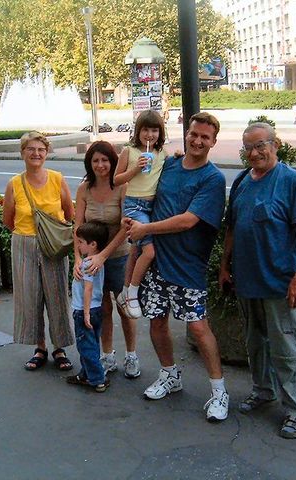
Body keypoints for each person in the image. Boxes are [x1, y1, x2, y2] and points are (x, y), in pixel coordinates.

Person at [126, 112, 229, 423]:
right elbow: (140, 185)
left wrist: (146, 229)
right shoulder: (169, 165)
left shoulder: (212, 179)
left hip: (188, 266)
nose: (198, 141)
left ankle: (219, 391)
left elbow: (188, 221)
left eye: (205, 137)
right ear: (186, 134)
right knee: (156, 321)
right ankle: (170, 374)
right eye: (194, 134)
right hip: (156, 262)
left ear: (213, 142)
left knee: (198, 327)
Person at [219, 122, 296, 439]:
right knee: (256, 345)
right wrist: (224, 265)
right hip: (247, 282)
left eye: (260, 145)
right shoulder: (241, 181)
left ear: (275, 145)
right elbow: (232, 228)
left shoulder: (290, 181)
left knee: (287, 350)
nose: (254, 153)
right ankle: (264, 391)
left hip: (280, 284)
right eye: (248, 148)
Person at [3, 131, 75, 372]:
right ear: (22, 153)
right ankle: (40, 347)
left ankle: (59, 348)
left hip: (53, 245)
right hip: (24, 244)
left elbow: (69, 213)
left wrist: (49, 234)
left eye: (41, 150)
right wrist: (29, 235)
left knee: (57, 296)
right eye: (31, 149)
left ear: (46, 153)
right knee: (30, 298)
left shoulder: (57, 179)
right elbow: (8, 220)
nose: (36, 153)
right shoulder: (14, 184)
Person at [74, 141, 140, 379]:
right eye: (95, 161)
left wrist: (104, 254)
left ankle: (131, 355)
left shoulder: (122, 186)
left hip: (119, 256)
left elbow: (126, 226)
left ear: (113, 162)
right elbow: (77, 227)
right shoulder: (84, 189)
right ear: (89, 164)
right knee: (101, 308)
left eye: (105, 160)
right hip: (92, 261)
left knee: (124, 307)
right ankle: (107, 355)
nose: (100, 165)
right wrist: (77, 259)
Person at [114, 109, 167, 320]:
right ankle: (132, 294)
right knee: (149, 252)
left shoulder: (161, 154)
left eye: (154, 130)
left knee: (135, 250)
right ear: (138, 131)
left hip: (153, 207)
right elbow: (116, 180)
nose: (150, 135)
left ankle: (125, 289)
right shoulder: (129, 152)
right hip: (134, 206)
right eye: (145, 130)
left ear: (160, 133)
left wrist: (178, 156)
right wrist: (135, 169)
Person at [66, 220, 111, 392]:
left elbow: (88, 289)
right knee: (92, 343)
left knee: (85, 346)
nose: (78, 246)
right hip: (97, 308)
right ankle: (85, 374)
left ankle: (98, 379)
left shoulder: (87, 264)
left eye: (81, 242)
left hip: (84, 310)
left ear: (93, 244)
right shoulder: (98, 261)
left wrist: (85, 313)